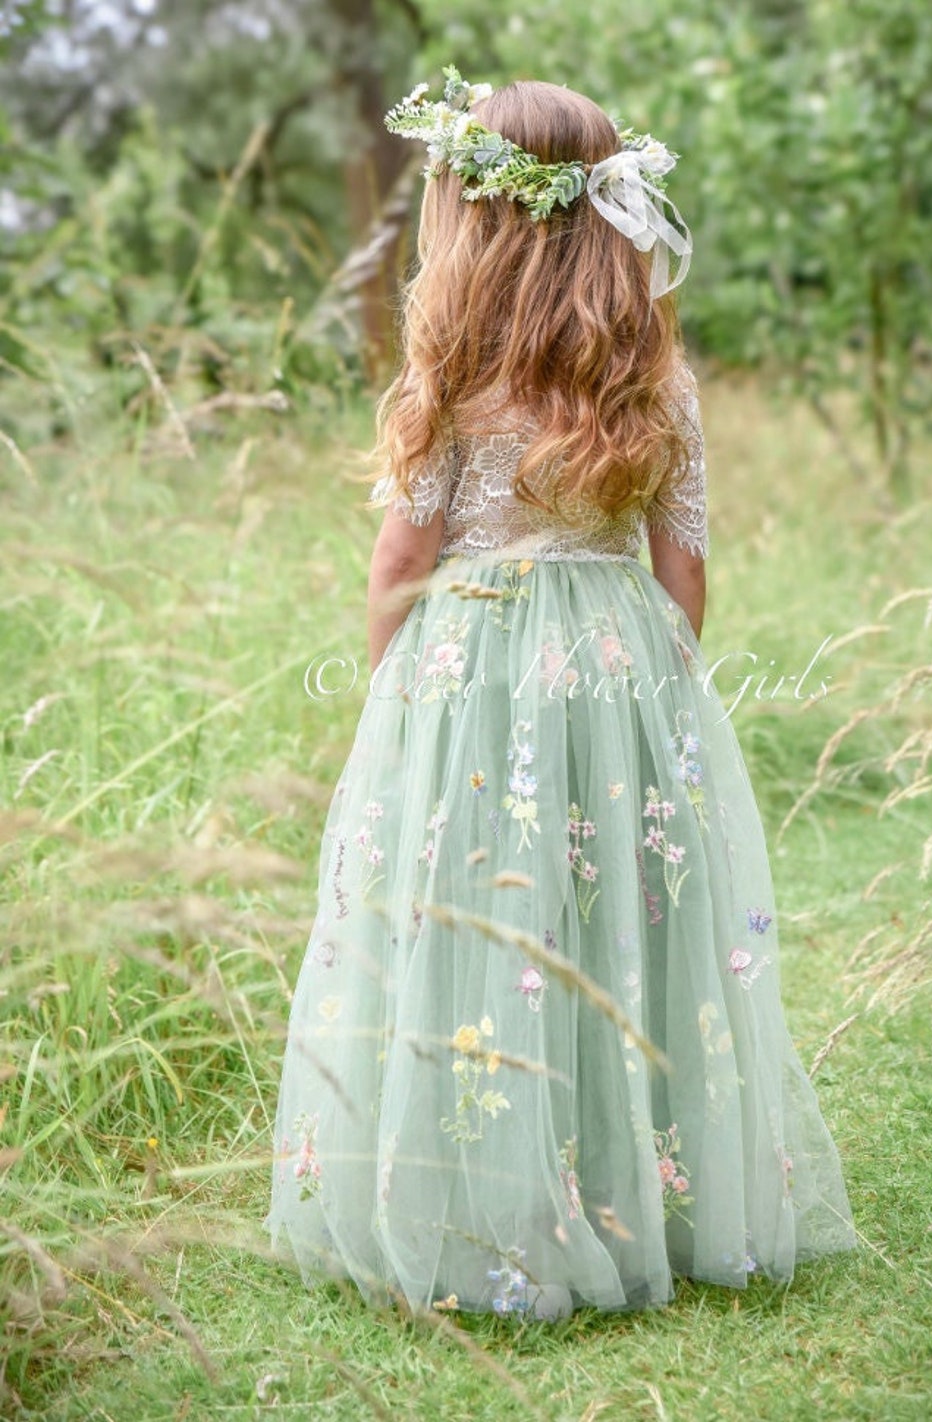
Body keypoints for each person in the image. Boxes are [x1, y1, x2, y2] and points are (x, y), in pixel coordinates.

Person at [263, 68, 857, 1321]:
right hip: (618, 662)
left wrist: (400, 700)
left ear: (473, 221)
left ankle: (475, 1186)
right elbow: (683, 571)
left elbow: (402, 564)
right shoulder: (659, 381)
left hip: (471, 658)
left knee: (485, 920)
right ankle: (637, 1180)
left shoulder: (449, 378)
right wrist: (655, 699)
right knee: (611, 920)